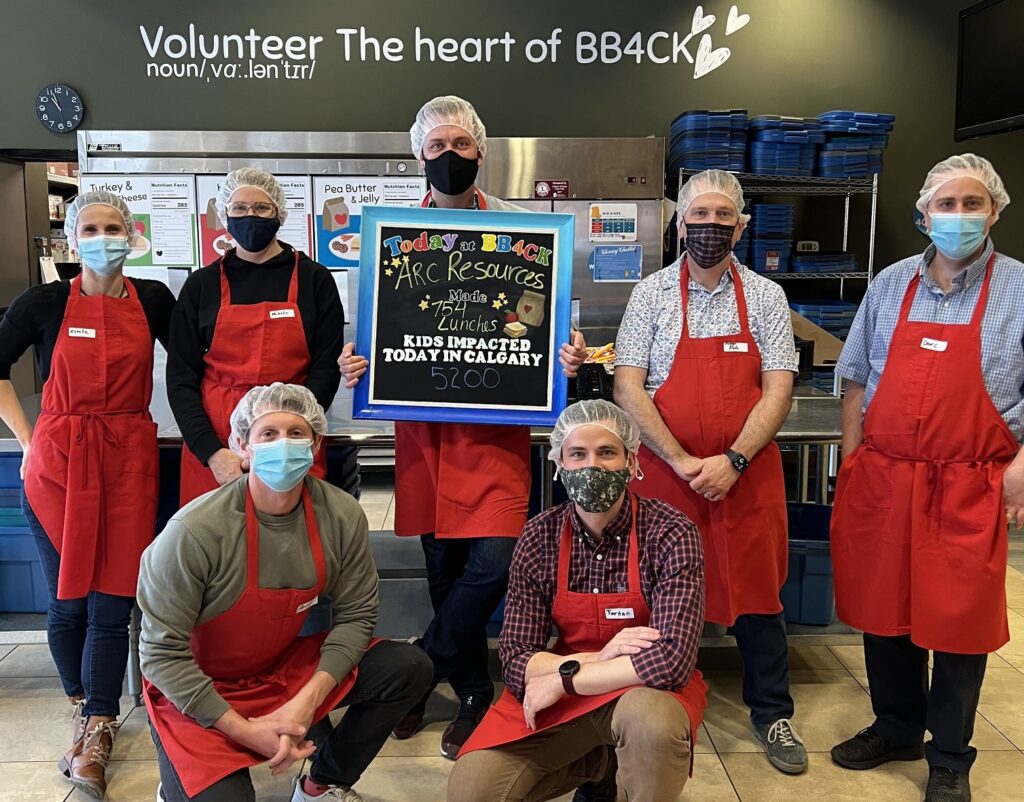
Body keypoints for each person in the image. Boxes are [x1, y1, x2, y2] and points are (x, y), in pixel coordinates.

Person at [338, 95, 588, 759]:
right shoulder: (387, 235)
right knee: (442, 568)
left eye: (461, 144)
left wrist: (565, 354)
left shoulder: (524, 235)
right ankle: (473, 691)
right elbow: (365, 330)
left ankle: (422, 666)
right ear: (418, 154)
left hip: (495, 434)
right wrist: (354, 359)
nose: (449, 156)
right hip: (423, 436)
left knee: (495, 561)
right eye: (437, 145)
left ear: (481, 151)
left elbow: (547, 326)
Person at [829, 154, 1024, 802]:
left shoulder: (1019, 289)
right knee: (885, 615)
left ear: (995, 211)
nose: (959, 216)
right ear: (924, 215)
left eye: (972, 204)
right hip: (885, 477)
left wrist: (1021, 470)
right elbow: (854, 377)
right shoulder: (890, 285)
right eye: (947, 205)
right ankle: (897, 726)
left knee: (959, 622)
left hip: (969, 483)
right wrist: (853, 462)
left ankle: (949, 756)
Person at [138, 383, 432, 802]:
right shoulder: (194, 532)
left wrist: (303, 705)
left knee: (407, 665)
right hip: (197, 685)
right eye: (268, 434)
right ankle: (177, 785)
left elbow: (356, 617)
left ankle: (321, 783)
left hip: (278, 672)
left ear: (315, 445)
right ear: (242, 444)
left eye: (297, 433)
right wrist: (246, 731)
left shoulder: (340, 514)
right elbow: (161, 655)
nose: (284, 444)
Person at [613, 169, 807, 775]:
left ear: (742, 225)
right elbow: (628, 386)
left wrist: (733, 461)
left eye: (724, 217)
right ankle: (653, 703)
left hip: (746, 478)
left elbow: (779, 391)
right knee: (662, 591)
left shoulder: (768, 298)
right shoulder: (649, 295)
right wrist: (679, 460)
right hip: (668, 477)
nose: (710, 227)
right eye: (699, 216)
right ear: (679, 223)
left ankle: (772, 711)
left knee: (758, 596)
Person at [0, 191, 174, 797]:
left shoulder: (154, 299)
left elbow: (200, 363)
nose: (104, 237)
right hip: (58, 464)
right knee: (67, 600)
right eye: (91, 228)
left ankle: (100, 723)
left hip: (127, 458)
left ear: (132, 234)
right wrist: (26, 440)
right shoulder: (45, 302)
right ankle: (82, 705)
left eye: (114, 227)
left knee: (113, 600)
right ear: (74, 240)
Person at [446, 399, 707, 802]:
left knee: (652, 725)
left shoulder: (670, 531)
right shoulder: (539, 535)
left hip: (642, 691)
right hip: (571, 684)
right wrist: (598, 658)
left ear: (631, 461)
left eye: (606, 452)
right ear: (559, 465)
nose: (592, 466)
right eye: (577, 454)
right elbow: (516, 659)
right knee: (472, 790)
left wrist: (564, 679)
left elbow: (671, 662)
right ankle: (599, 764)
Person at [168, 168, 350, 506]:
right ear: (224, 215)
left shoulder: (314, 279)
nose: (250, 216)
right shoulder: (201, 286)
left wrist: (296, 436)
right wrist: (212, 452)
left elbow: (326, 368)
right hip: (219, 440)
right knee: (217, 547)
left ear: (279, 213)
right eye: (239, 208)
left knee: (293, 543)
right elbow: (180, 379)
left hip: (291, 438)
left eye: (261, 208)